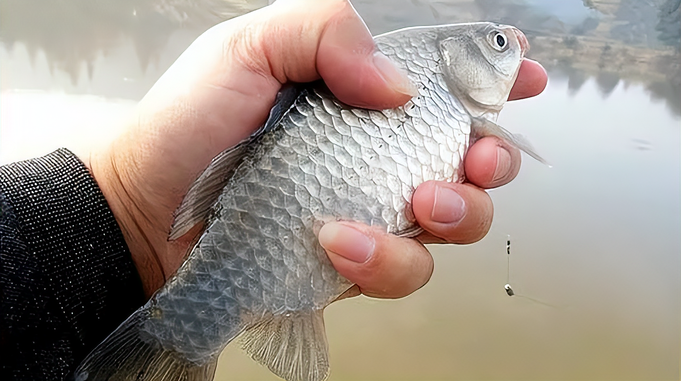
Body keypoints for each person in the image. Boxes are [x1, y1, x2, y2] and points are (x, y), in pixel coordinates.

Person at [0, 0, 547, 379]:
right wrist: (126, 208)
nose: (511, 48)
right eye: (498, 42)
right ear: (457, 56)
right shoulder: (415, 72)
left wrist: (123, 212)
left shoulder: (449, 99)